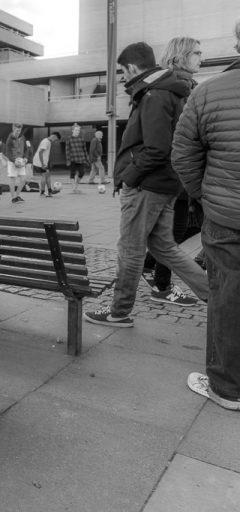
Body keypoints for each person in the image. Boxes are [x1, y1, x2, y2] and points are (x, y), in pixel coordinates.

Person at [83, 41, 208, 328]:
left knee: (130, 249)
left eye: (122, 71)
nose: (123, 77)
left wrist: (129, 176)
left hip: (147, 186)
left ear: (131, 67)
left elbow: (156, 148)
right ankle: (214, 295)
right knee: (165, 247)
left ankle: (118, 311)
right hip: (164, 185)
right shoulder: (168, 91)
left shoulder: (154, 94)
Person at [173, 20, 240, 411]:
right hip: (225, 209)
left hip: (226, 214)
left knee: (228, 297)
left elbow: (183, 155)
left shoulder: (210, 91)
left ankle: (227, 389)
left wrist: (204, 195)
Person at [142, 36, 204, 306]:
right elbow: (182, 135)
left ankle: (149, 267)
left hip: (176, 173)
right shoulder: (180, 87)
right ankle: (162, 286)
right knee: (177, 231)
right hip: (178, 173)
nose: (202, 58)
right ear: (180, 56)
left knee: (187, 226)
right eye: (197, 53)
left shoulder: (181, 84)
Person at [3, 123, 27, 203]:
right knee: (13, 179)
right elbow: (8, 152)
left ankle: (17, 195)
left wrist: (26, 158)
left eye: (19, 130)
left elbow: (26, 149)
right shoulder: (10, 139)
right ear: (13, 129)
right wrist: (14, 161)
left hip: (21, 161)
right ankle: (13, 198)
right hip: (12, 161)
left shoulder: (23, 137)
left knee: (23, 179)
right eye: (16, 130)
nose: (18, 132)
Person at [33, 132, 61, 197]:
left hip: (42, 162)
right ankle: (42, 193)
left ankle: (50, 191)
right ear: (54, 136)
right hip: (39, 162)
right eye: (56, 139)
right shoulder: (46, 142)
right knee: (44, 175)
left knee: (48, 175)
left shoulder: (48, 142)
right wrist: (42, 164)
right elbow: (40, 152)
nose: (55, 141)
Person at [65, 123, 88, 193]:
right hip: (72, 158)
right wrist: (68, 159)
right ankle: (75, 188)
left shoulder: (81, 138)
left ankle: (75, 186)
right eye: (76, 130)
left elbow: (85, 149)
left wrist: (87, 158)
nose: (77, 131)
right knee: (72, 173)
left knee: (82, 172)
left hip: (81, 158)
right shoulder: (69, 139)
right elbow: (67, 150)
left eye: (78, 130)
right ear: (72, 130)